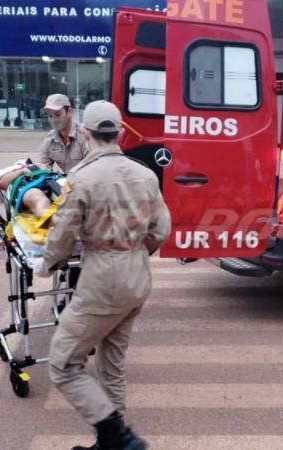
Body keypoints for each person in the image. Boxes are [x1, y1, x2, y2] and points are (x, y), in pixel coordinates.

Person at [31, 100, 171, 450]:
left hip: (102, 280)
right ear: (121, 133)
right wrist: (134, 253)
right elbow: (161, 229)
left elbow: (63, 235)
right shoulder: (145, 175)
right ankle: (111, 444)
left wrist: (46, 265)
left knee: (63, 363)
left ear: (87, 133)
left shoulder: (81, 178)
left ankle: (118, 436)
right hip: (137, 278)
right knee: (112, 364)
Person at [38, 93, 88, 173]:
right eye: (50, 116)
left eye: (58, 114)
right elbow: (42, 165)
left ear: (69, 111)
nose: (54, 120)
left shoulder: (84, 135)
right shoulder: (50, 139)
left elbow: (94, 168)